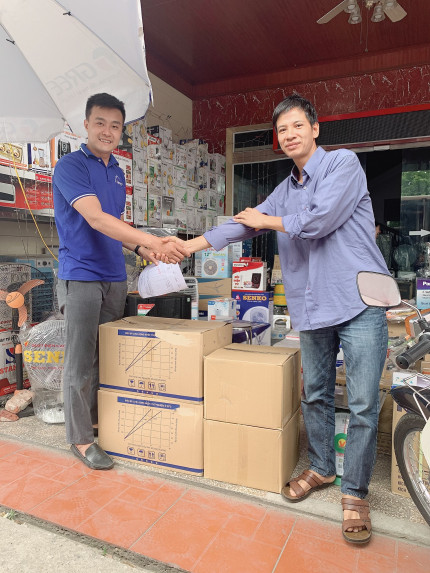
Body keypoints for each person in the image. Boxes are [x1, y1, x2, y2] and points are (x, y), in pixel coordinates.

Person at [184, 94, 389, 544]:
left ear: (315, 128)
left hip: (359, 302)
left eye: (297, 125)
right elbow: (245, 223)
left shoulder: (343, 165)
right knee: (314, 393)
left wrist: (267, 220)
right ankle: (322, 468)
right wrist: (189, 245)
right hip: (313, 305)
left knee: (361, 404)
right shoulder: (284, 190)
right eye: (282, 130)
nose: (290, 134)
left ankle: (355, 493)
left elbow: (317, 221)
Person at [53, 93, 190, 471]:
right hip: (81, 275)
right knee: (80, 360)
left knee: (108, 357)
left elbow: (116, 226)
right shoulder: (69, 166)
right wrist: (153, 240)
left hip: (115, 276)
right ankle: (80, 438)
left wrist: (146, 251)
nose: (107, 131)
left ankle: (98, 421)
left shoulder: (117, 171)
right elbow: (96, 218)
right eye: (100, 123)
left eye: (115, 126)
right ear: (86, 125)